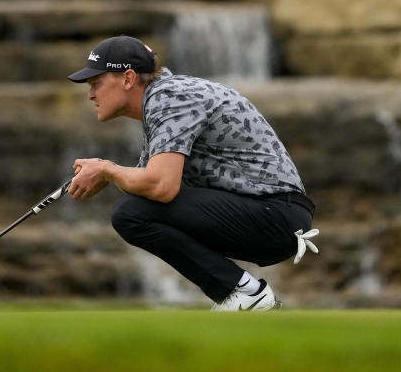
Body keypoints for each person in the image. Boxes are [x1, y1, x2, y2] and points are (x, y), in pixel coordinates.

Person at [67, 35, 318, 311]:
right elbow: (146, 182)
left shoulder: (170, 97)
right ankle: (242, 294)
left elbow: (161, 187)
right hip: (271, 215)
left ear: (128, 79)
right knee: (133, 209)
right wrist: (107, 173)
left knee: (130, 212)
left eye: (96, 84)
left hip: (277, 216)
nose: (91, 95)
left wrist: (107, 170)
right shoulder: (163, 100)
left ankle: (245, 293)